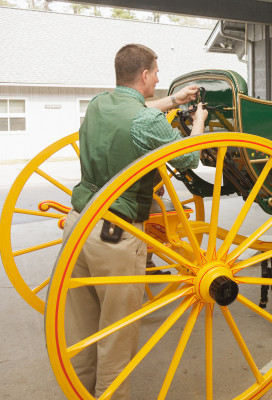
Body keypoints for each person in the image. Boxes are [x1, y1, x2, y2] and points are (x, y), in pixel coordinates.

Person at [62, 43, 208, 399]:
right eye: (156, 73)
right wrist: (199, 123)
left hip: (77, 224)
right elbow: (189, 159)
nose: (158, 78)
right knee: (116, 334)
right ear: (144, 75)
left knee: (79, 329)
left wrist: (174, 100)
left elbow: (137, 112)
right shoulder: (147, 121)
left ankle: (79, 393)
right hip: (115, 235)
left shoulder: (99, 103)